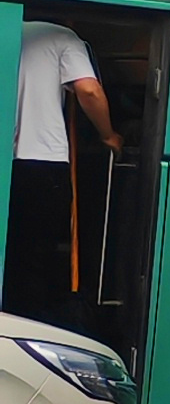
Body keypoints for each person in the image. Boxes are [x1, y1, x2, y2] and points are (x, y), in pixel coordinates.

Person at [8, 19, 116, 332]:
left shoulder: (9, 28)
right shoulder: (64, 36)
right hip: (42, 161)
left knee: (12, 251)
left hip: (9, 159)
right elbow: (89, 90)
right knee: (36, 256)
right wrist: (108, 135)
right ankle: (27, 328)